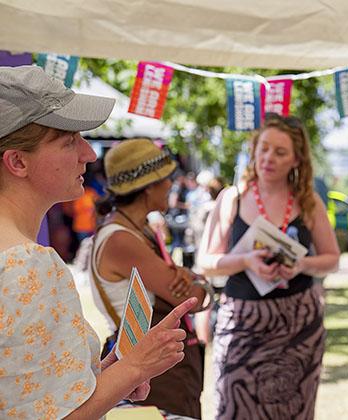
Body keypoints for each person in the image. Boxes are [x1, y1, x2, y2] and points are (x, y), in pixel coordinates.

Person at [0, 65, 196, 418]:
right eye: (69, 140)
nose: (89, 154)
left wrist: (106, 374)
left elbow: (22, 394)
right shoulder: (27, 264)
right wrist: (135, 367)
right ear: (17, 161)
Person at [197, 113, 340, 419]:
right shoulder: (232, 198)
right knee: (232, 408)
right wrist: (246, 260)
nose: (268, 158)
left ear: (296, 159)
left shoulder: (309, 201)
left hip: (298, 324)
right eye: (263, 148)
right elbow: (206, 262)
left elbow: (332, 258)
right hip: (242, 324)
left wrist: (301, 264)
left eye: (280, 152)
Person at [91, 138, 210, 418]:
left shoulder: (134, 230)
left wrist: (192, 280)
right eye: (167, 178)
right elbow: (194, 298)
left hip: (160, 369)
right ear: (148, 187)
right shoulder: (122, 239)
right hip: (153, 376)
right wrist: (199, 282)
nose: (171, 185)